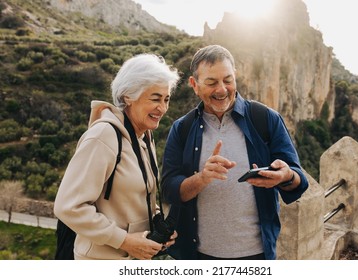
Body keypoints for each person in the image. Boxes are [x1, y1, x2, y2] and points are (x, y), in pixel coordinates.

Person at [161, 45, 309, 260]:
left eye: (228, 80)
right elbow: (168, 190)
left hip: (257, 256)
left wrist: (285, 176)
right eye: (211, 83)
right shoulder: (181, 128)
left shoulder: (266, 119)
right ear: (194, 85)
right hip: (198, 256)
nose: (222, 89)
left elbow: (299, 180)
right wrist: (202, 178)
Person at [54, 54, 180, 260]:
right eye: (155, 98)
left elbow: (136, 195)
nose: (163, 108)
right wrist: (125, 241)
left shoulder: (143, 137)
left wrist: (156, 223)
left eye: (166, 99)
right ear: (129, 96)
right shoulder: (103, 136)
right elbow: (68, 206)